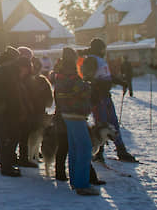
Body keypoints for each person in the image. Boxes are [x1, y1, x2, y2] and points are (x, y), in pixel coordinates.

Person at [81, 38, 137, 162]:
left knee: (113, 122)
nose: (104, 50)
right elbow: (87, 77)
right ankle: (99, 152)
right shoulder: (91, 60)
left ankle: (121, 150)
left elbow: (107, 76)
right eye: (102, 48)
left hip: (105, 95)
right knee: (102, 124)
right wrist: (95, 88)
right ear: (99, 48)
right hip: (98, 96)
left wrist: (120, 82)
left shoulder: (100, 60)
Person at [54, 47, 101, 196]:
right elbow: (78, 89)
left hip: (67, 114)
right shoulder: (70, 71)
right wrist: (88, 84)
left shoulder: (60, 71)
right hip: (76, 113)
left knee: (74, 148)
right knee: (84, 148)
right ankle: (82, 184)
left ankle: (75, 181)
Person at [0, 47, 25, 176]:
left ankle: (7, 162)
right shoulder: (5, 71)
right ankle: (6, 166)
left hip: (1, 109)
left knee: (6, 137)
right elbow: (8, 91)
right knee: (7, 137)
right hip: (4, 110)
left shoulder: (2, 69)